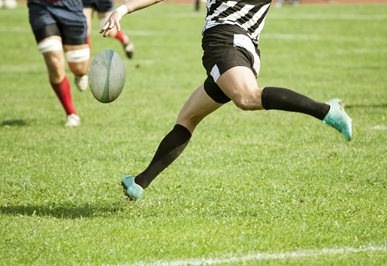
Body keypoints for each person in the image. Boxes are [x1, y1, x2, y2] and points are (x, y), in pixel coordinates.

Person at [101, 0, 352, 200]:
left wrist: (122, 9)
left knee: (247, 97)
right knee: (188, 117)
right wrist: (122, 9)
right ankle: (140, 182)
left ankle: (326, 110)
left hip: (225, 42)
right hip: (245, 49)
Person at [28, 0, 91, 127]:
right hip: (40, 6)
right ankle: (71, 113)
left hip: (71, 6)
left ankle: (80, 74)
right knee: (54, 60)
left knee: (80, 69)